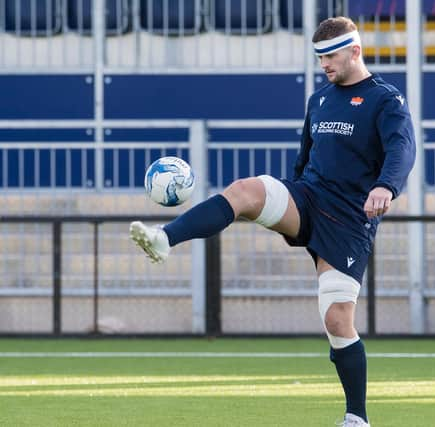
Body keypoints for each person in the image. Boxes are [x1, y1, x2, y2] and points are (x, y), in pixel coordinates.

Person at [130, 16, 416, 427]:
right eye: (318, 57)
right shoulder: (319, 100)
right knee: (246, 191)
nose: (324, 65)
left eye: (330, 56)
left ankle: (357, 417)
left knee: (337, 320)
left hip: (351, 219)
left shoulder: (385, 100)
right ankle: (163, 238)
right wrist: (278, 206)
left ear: (355, 50)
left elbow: (401, 149)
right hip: (308, 197)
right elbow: (305, 157)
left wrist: (386, 187)